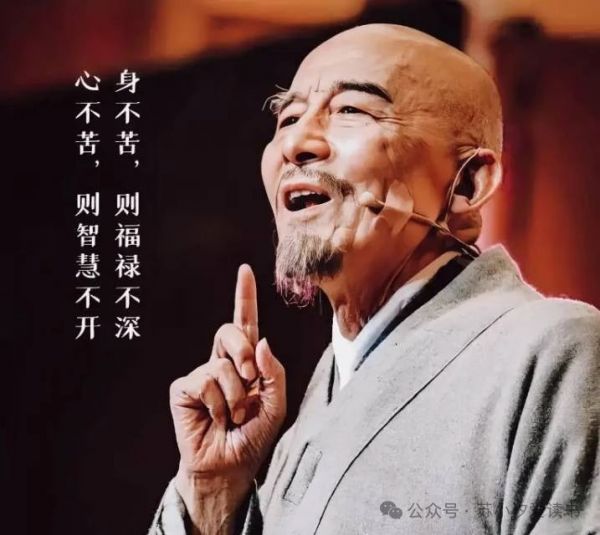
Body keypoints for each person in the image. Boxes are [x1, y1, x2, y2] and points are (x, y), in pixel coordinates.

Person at [149, 24, 599, 535]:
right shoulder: (316, 405)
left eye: (351, 111)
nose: (295, 143)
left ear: (467, 185)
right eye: (288, 117)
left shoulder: (553, 351)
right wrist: (212, 490)